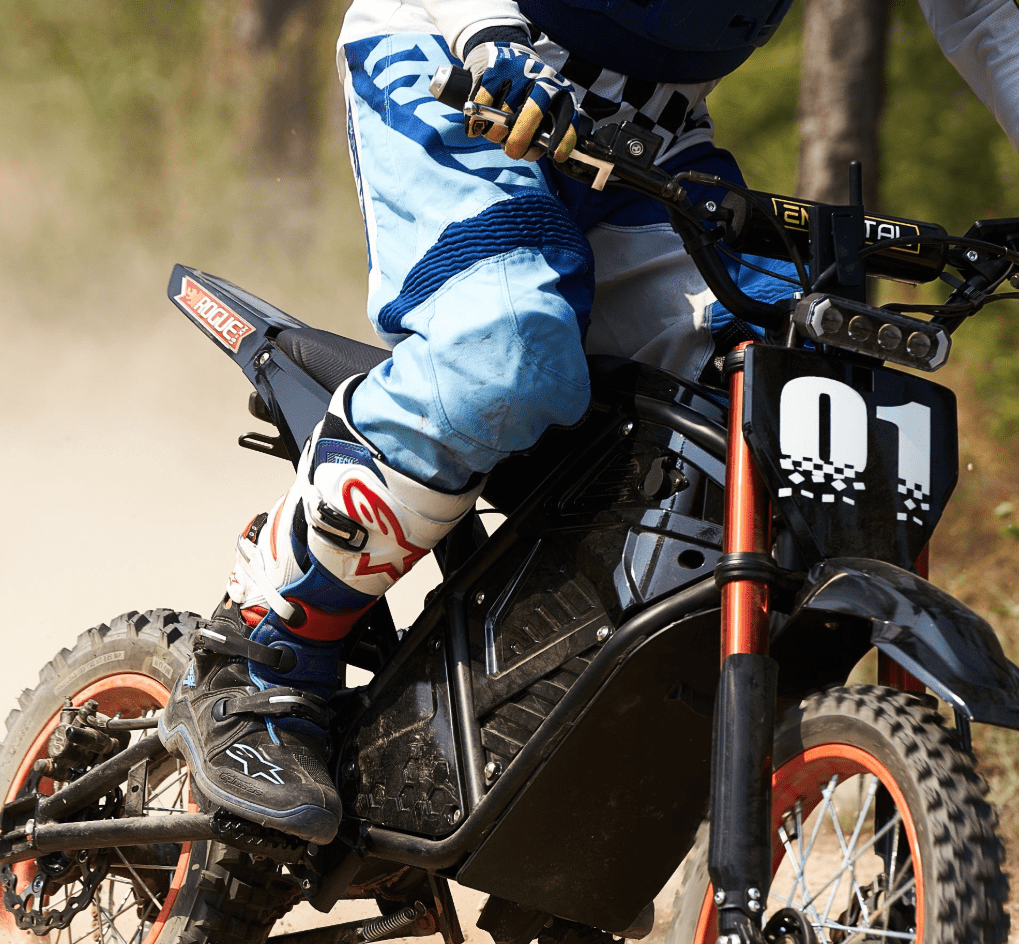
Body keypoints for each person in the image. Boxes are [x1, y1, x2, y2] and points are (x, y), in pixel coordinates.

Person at [160, 0, 1019, 844]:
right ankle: (259, 649)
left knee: (793, 384)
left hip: (652, 133)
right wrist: (487, 37)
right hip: (455, 61)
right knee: (506, 348)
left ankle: (551, 708)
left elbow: (986, 14)